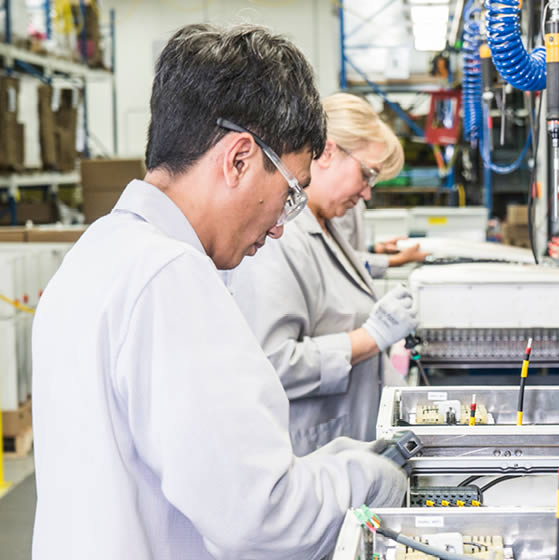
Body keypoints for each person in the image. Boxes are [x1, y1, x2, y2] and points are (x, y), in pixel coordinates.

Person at [30, 24, 406, 560]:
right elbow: (261, 518)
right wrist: (362, 478)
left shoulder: (98, 252)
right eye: (290, 193)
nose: (280, 225)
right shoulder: (170, 279)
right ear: (239, 159)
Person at [229, 93, 417, 455]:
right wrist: (371, 337)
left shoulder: (326, 225)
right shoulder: (279, 240)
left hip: (348, 447)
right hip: (309, 454)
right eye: (366, 174)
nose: (366, 193)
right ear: (328, 152)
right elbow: (274, 363)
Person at [332, 198, 429, 279]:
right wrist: (397, 259)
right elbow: (341, 258)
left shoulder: (356, 200)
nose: (367, 195)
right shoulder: (340, 202)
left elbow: (347, 246)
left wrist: (376, 248)